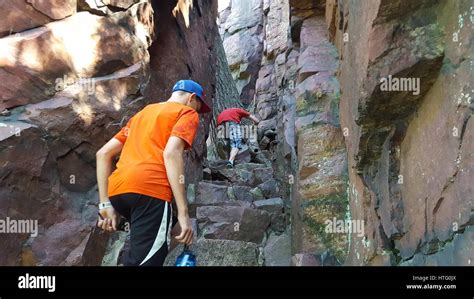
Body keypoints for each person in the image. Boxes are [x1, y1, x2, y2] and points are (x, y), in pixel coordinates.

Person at [95, 79, 211, 266]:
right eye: (198, 106)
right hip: (149, 191)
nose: (198, 111)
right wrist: (183, 212)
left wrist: (104, 205)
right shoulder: (187, 113)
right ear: (191, 98)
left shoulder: (143, 114)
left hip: (119, 192)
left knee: (173, 232)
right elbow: (171, 153)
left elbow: (103, 154)